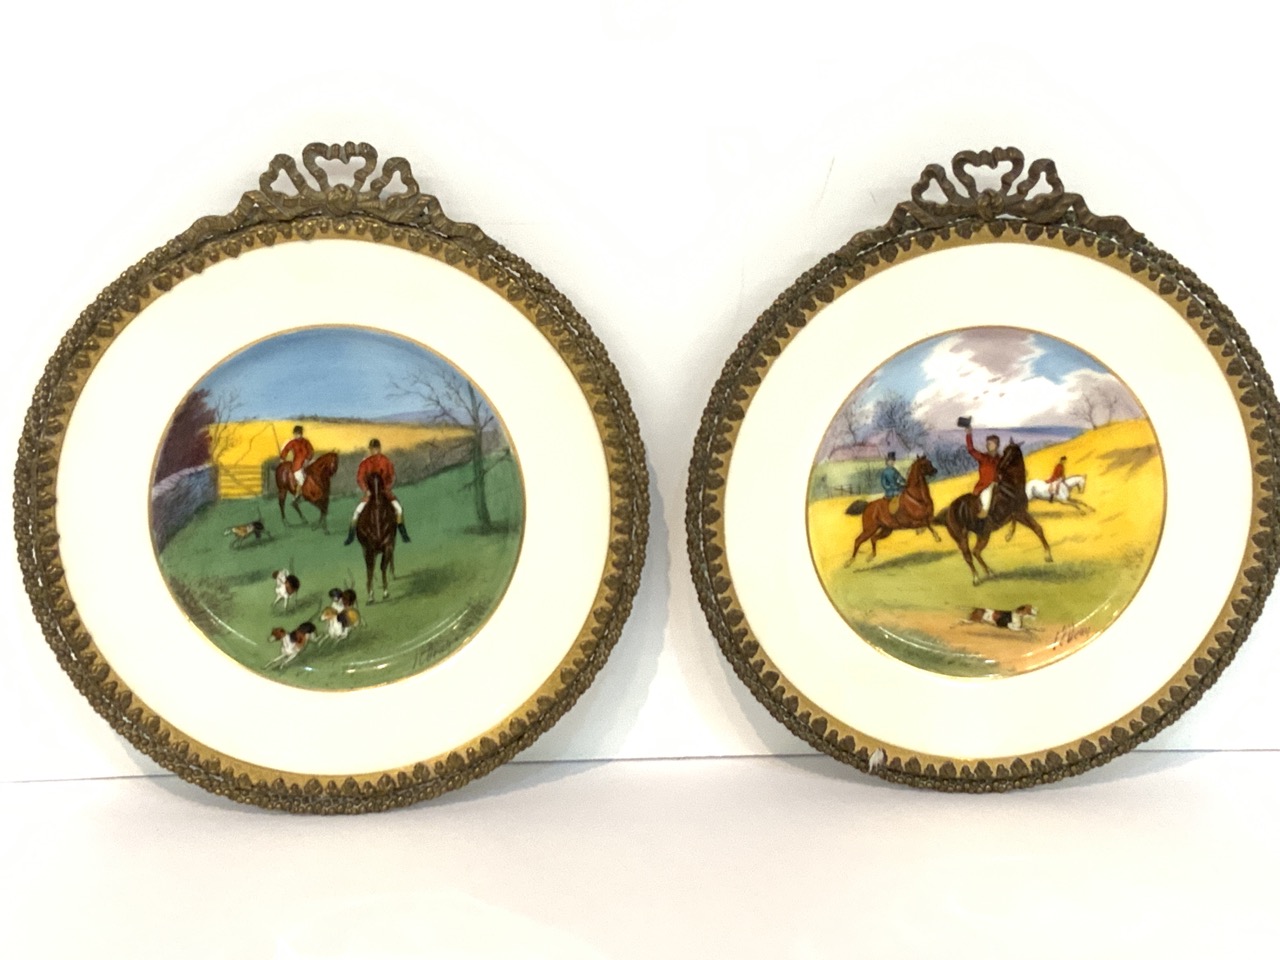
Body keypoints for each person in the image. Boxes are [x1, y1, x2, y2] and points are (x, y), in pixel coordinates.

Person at [344, 438, 411, 545]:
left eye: (376, 449)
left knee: (399, 509)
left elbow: (392, 476)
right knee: (356, 512)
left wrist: (387, 487)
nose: (374, 451)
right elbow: (360, 478)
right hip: (370, 494)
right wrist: (366, 490)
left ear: (379, 449)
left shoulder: (386, 461)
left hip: (385, 493)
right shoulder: (365, 463)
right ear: (370, 450)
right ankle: (351, 536)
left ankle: (403, 533)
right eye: (372, 449)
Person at [965, 427, 1001, 519]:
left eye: (990, 444)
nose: (987, 446)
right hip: (984, 486)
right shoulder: (983, 457)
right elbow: (971, 450)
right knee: (988, 491)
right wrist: (968, 434)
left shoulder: (1001, 459)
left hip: (999, 485)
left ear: (996, 445)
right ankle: (984, 511)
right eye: (987, 444)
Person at [279, 425, 313, 500]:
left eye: (298, 434)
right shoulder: (293, 442)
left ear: (301, 434)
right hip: (297, 464)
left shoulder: (306, 442)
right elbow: (286, 449)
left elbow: (311, 451)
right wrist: (282, 458)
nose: (296, 435)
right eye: (295, 434)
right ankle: (297, 496)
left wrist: (308, 459)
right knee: (301, 480)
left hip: (307, 462)